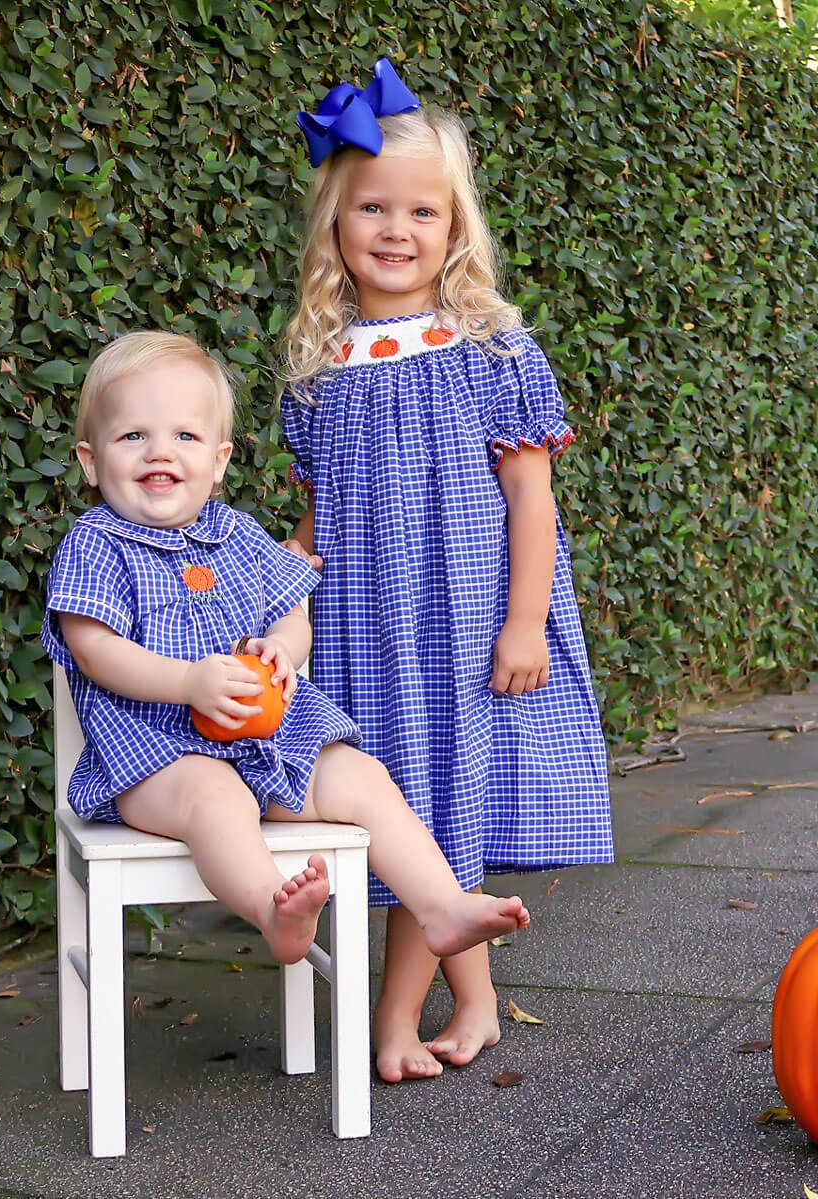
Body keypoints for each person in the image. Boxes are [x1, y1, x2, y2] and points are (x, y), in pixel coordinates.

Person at [281, 60, 614, 1083]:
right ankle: (473, 996)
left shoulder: (490, 349)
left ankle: (398, 1015)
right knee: (404, 803)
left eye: (423, 210)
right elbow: (316, 512)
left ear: (456, 226)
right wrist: (285, 583)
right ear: (335, 224)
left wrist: (524, 622)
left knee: (435, 796)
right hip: (361, 622)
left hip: (463, 614)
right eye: (371, 206)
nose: (396, 228)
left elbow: (531, 497)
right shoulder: (320, 362)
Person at [42, 330, 530, 970]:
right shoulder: (96, 543)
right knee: (217, 800)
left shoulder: (239, 534)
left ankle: (442, 905)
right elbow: (94, 649)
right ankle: (273, 909)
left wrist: (280, 646)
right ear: (90, 458)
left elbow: (293, 615)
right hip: (155, 759)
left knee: (360, 775)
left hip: (270, 743)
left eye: (184, 437)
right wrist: (188, 683)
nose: (159, 451)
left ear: (218, 462)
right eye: (133, 436)